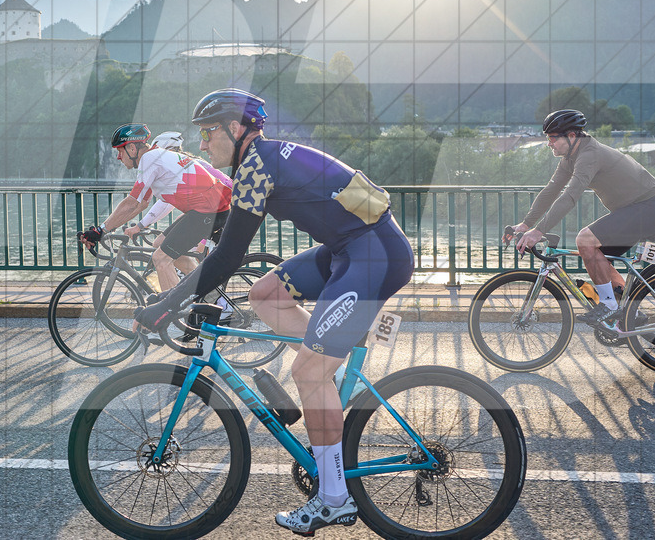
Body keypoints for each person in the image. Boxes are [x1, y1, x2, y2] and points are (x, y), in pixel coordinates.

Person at [134, 89, 413, 534]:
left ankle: (334, 498)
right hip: (349, 250)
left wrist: (165, 304)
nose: (202, 144)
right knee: (265, 294)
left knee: (307, 374)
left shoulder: (257, 166)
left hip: (372, 256)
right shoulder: (262, 161)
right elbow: (229, 239)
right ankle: (331, 373)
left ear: (235, 129)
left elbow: (226, 258)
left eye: (207, 133)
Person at [512, 109, 655, 327]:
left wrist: (538, 231)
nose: (549, 144)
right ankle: (630, 312)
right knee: (595, 255)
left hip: (648, 207)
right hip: (635, 209)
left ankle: (609, 306)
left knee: (585, 240)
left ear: (572, 136)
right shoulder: (571, 157)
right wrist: (526, 224)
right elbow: (551, 190)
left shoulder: (589, 155)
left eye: (552, 138)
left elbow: (570, 196)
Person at [79, 124, 231, 293]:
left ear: (131, 147)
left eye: (119, 151)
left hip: (209, 210)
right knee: (162, 245)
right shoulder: (157, 156)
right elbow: (141, 203)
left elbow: (131, 202)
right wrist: (104, 230)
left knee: (160, 259)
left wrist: (101, 230)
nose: (118, 157)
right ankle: (209, 293)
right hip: (210, 209)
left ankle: (173, 312)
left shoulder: (150, 158)